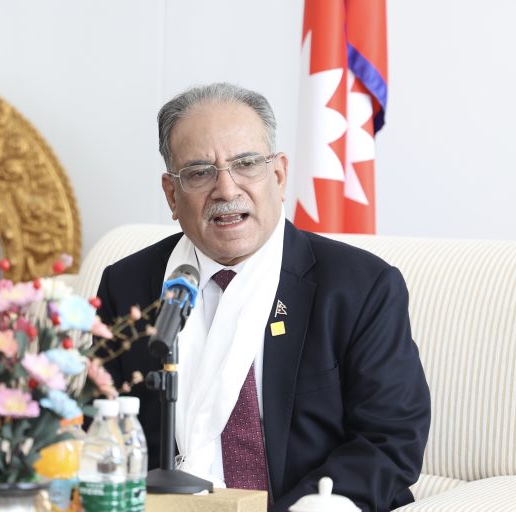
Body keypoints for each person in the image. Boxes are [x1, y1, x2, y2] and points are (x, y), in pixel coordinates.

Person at [95, 83, 431, 511]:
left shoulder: (360, 287)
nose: (226, 190)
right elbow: (94, 424)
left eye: (246, 164)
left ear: (278, 174)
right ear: (171, 194)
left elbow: (390, 439)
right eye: (199, 172)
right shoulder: (128, 286)